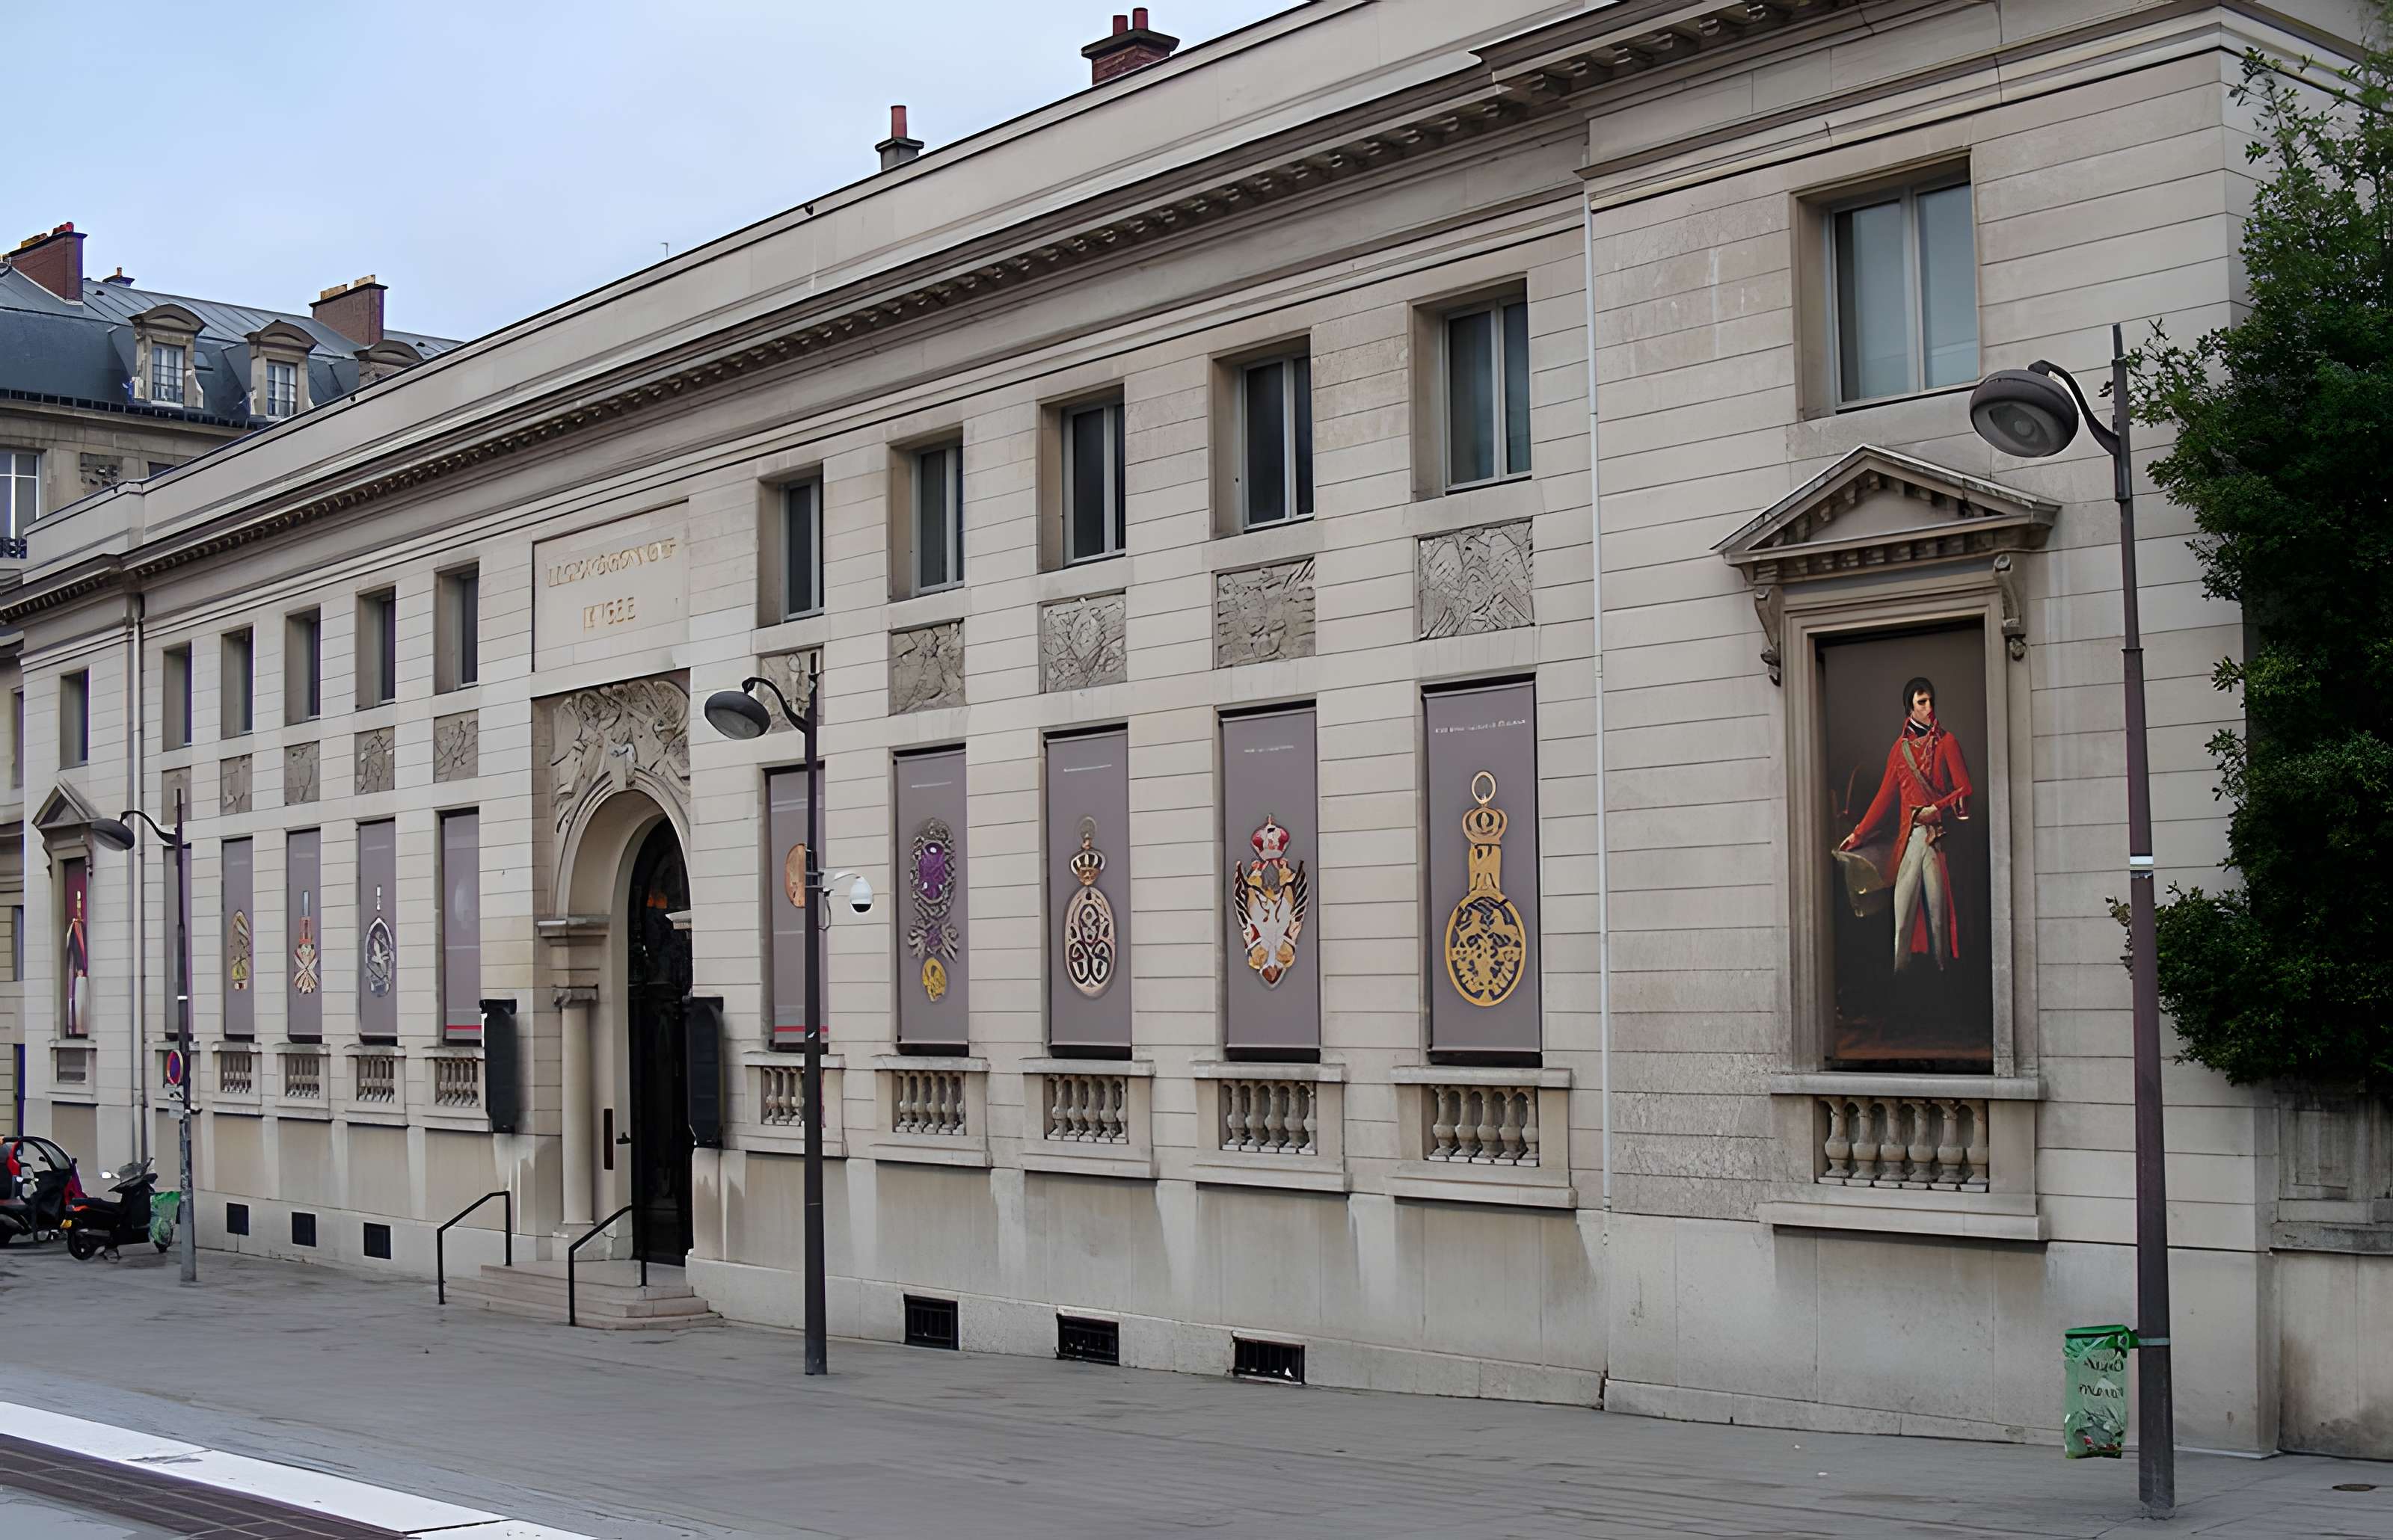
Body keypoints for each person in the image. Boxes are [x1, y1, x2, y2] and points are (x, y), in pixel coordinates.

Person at [1840, 676, 1972, 970]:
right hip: (1910, 839)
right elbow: (1883, 798)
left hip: (1936, 839)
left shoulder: (1948, 743)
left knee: (1938, 919)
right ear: (1909, 709)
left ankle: (1943, 977)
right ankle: (1904, 986)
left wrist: (1934, 810)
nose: (1928, 708)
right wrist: (1858, 835)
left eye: (1930, 701)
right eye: (1921, 703)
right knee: (1902, 919)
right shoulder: (1899, 751)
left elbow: (1964, 792)